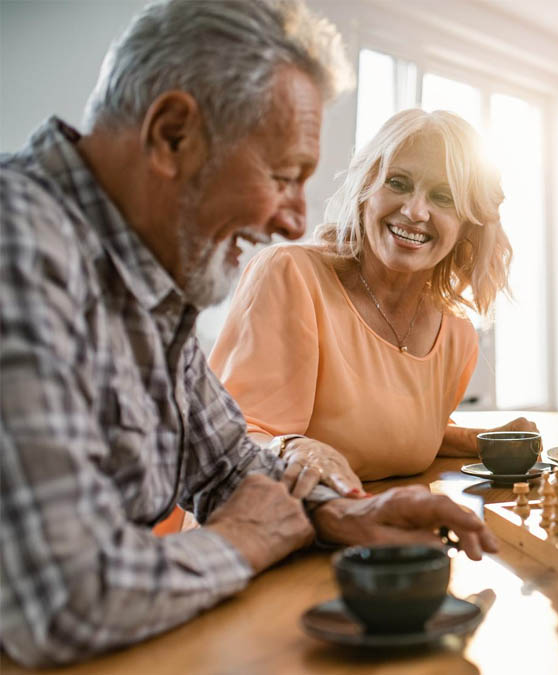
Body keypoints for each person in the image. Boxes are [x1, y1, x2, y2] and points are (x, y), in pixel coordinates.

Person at [0, 1, 496, 667]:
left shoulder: (147, 279)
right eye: (284, 176)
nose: (293, 221)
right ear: (173, 135)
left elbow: (229, 467)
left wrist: (342, 513)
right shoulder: (19, 246)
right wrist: (242, 541)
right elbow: (62, 598)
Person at [209, 109, 535, 497]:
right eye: (397, 183)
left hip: (369, 526)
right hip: (258, 522)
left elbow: (387, 436)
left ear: (469, 224)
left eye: (443, 197)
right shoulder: (291, 275)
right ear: (366, 190)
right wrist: (293, 448)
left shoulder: (455, 335)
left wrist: (485, 439)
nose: (415, 211)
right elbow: (231, 437)